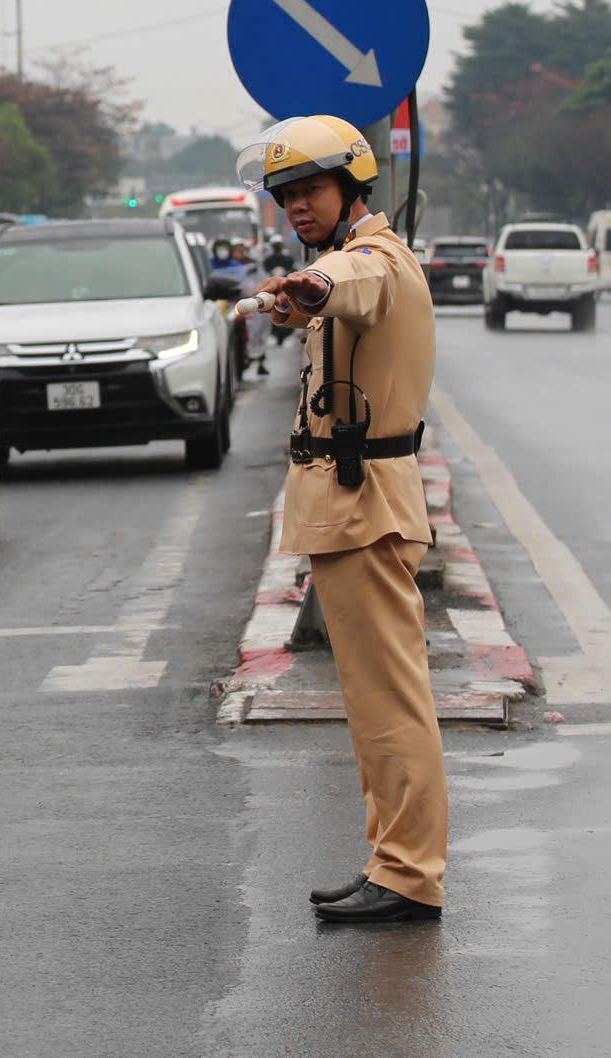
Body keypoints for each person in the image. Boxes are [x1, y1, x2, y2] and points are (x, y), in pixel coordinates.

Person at [241, 115, 445, 925]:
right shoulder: (341, 257)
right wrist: (291, 297)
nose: (297, 206)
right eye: (286, 195)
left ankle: (408, 871)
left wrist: (315, 289)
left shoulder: (373, 257)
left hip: (366, 503)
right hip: (350, 501)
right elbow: (325, 296)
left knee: (390, 699)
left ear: (354, 186)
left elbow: (352, 285)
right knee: (372, 699)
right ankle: (393, 859)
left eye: (311, 190)